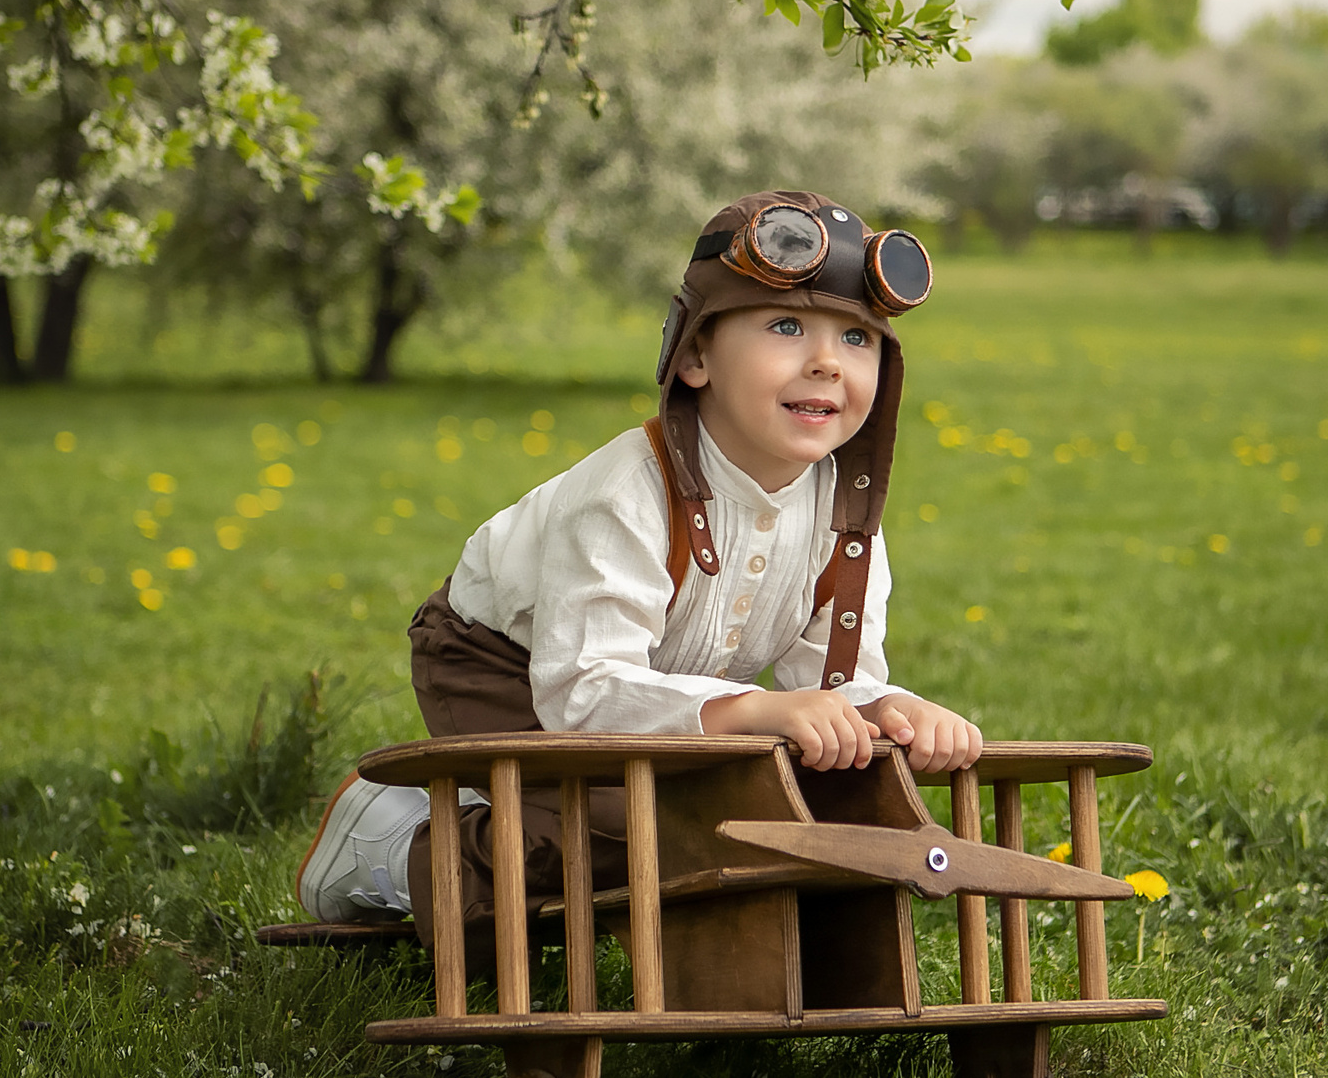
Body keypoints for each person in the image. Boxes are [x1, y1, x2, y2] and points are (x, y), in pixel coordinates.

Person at [294, 190, 984, 951]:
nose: (826, 360)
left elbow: (828, 686)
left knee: (746, 824)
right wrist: (755, 710)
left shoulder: (845, 518)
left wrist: (889, 704)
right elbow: (581, 692)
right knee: (590, 851)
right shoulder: (628, 489)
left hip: (664, 682)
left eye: (857, 339)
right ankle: (387, 842)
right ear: (692, 356)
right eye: (786, 327)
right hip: (507, 668)